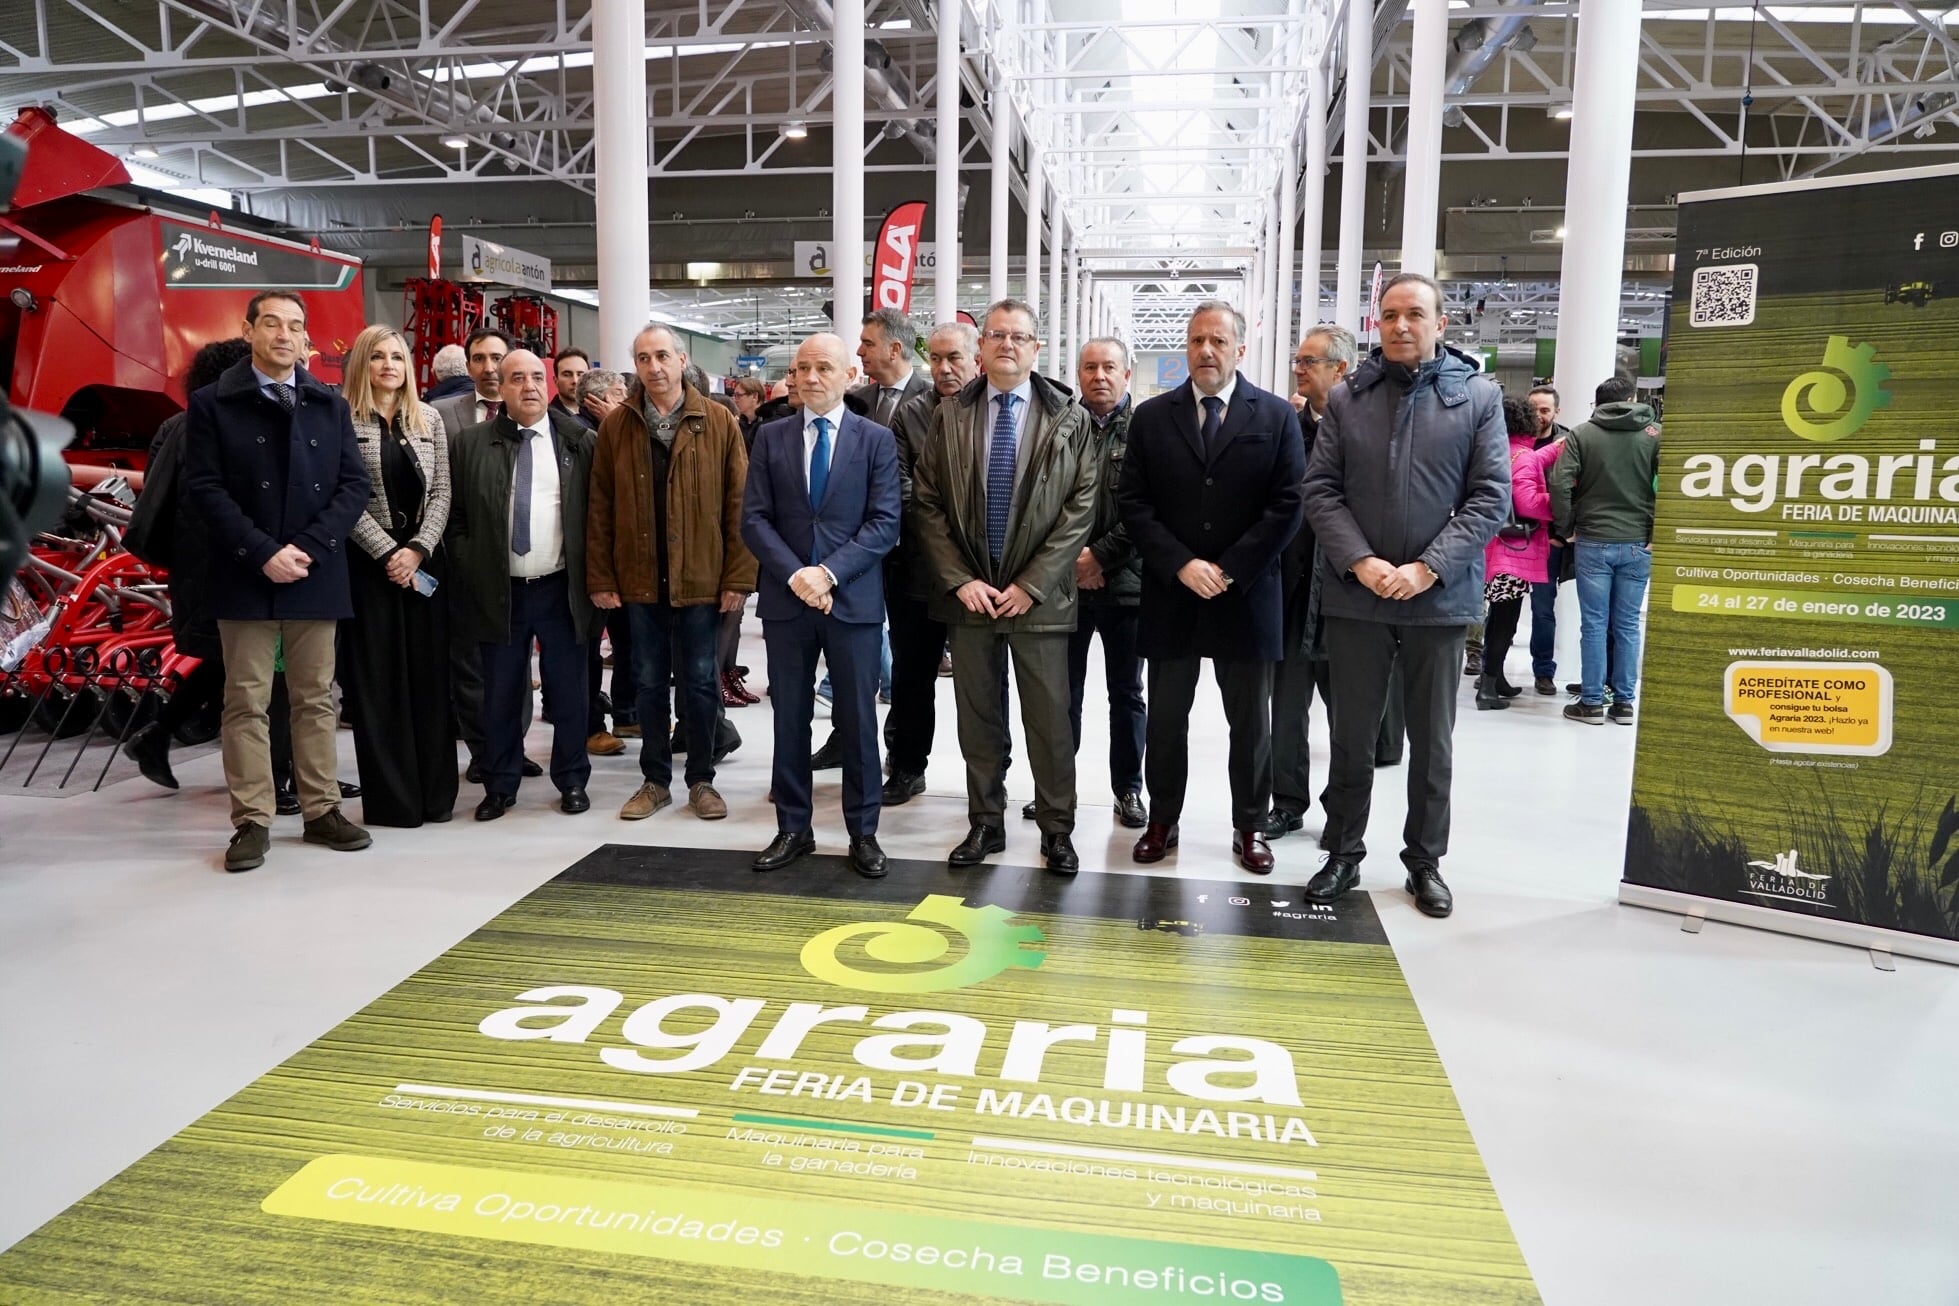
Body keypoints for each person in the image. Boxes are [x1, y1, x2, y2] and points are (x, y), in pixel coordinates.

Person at [1301, 272, 1510, 918]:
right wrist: (1360, 562)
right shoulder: (1347, 399)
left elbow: (1490, 496)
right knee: (1351, 736)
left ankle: (1424, 863)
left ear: (1439, 324)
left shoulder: (1476, 397)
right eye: (1388, 315)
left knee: (1431, 740)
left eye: (1413, 314)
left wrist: (1426, 569)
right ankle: (1341, 853)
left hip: (1437, 600)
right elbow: (1320, 491)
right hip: (1356, 596)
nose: (1398, 325)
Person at [182, 289, 373, 872]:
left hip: (314, 573)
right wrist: (262, 552)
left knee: (316, 699)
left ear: (306, 340)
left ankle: (321, 810)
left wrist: (308, 549)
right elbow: (205, 489)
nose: (284, 335)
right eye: (272, 324)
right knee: (246, 702)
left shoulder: (329, 403)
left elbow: (353, 485)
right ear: (249, 331)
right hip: (246, 574)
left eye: (295, 326)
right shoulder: (213, 404)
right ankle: (252, 821)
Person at [1118, 301, 1304, 875]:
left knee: (1250, 725)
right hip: (1172, 595)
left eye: (1218, 341)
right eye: (1197, 340)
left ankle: (1249, 826)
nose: (1205, 350)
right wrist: (1181, 564)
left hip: (1245, 597)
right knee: (1168, 719)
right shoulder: (1152, 418)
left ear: (1239, 350)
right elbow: (1134, 503)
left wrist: (1227, 569)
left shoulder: (1274, 417)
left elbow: (1288, 505)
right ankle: (1162, 821)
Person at [913, 298, 1098, 874]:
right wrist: (959, 579)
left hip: (1039, 601)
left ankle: (1057, 828)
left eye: (1019, 336)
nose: (1007, 345)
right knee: (979, 718)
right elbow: (928, 503)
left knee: (1049, 719)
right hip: (970, 596)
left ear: (1036, 347)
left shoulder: (1070, 417)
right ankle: (985, 823)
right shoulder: (949, 416)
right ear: (982, 346)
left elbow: (1081, 507)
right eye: (996, 335)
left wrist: (1033, 584)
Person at [742, 332, 901, 877]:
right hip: (789, 603)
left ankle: (863, 832)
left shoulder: (876, 440)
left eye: (824, 368)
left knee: (856, 720)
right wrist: (798, 576)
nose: (810, 377)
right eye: (801, 368)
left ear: (850, 375)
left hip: (852, 601)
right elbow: (754, 519)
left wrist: (829, 573)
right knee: (789, 718)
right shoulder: (770, 437)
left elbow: (885, 523)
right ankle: (794, 828)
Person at [588, 324, 756, 823]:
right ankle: (654, 780)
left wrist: (738, 579)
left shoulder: (719, 421)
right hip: (639, 578)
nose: (654, 366)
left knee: (701, 681)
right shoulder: (618, 425)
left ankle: (702, 780)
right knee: (647, 681)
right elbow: (599, 505)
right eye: (643, 358)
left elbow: (739, 504)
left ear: (682, 360)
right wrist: (601, 577)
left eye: (662, 355)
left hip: (702, 578)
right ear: (634, 366)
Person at [445, 349, 596, 819]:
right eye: (517, 378)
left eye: (536, 377)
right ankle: (500, 783)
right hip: (499, 590)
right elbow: (457, 518)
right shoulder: (471, 443)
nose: (529, 386)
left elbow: (597, 517)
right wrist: (473, 565)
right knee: (501, 695)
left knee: (569, 692)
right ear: (500, 388)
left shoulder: (578, 440)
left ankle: (572, 780)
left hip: (560, 589)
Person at [338, 324, 458, 826]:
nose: (389, 365)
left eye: (398, 357)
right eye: (378, 357)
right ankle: (394, 802)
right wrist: (389, 553)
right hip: (369, 570)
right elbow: (340, 497)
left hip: (425, 565)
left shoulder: (428, 417)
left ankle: (436, 797)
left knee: (430, 683)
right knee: (380, 686)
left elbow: (443, 493)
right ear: (362, 364)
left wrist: (417, 550)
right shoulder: (341, 418)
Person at [125, 338, 254, 790]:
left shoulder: (175, 424)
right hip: (223, 560)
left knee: (230, 660)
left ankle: (158, 735)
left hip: (193, 563)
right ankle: (268, 772)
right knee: (242, 661)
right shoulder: (215, 425)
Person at [880, 320, 980, 805]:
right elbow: (903, 492)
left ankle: (988, 778)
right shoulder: (911, 414)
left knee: (983, 685)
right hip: (917, 573)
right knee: (911, 677)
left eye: (953, 358)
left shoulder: (993, 410)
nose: (943, 368)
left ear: (975, 357)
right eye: (935, 359)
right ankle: (906, 767)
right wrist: (946, 548)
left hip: (982, 577)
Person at [1056, 335, 1146, 830]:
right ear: (1078, 374)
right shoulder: (1061, 427)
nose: (1099, 376)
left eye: (1110, 367)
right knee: (1062, 693)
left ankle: (1128, 789)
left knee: (1126, 694)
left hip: (1128, 586)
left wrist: (1101, 559)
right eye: (1090, 367)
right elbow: (1044, 502)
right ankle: (1057, 790)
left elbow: (1148, 508)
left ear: (1126, 373)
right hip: (1065, 586)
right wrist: (1071, 561)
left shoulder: (1147, 429)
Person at [1269, 323, 1356, 838]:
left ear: (1339, 369)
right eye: (1297, 361)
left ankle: (1342, 812)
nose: (1298, 369)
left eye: (1308, 361)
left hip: (1349, 591)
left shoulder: (1366, 428)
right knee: (1286, 709)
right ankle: (1286, 802)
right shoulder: (1287, 427)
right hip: (1292, 590)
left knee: (1349, 718)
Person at [1550, 375, 1661, 726]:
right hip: (1638, 541)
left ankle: (1593, 702)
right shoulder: (1655, 435)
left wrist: (1566, 528)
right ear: (1633, 397)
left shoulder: (1582, 434)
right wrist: (1655, 531)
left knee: (1594, 625)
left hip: (1593, 540)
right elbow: (1670, 486)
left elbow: (1560, 482)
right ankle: (1625, 703)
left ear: (1597, 403)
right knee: (1628, 624)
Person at [1475, 396, 1560, 711]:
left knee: (1499, 617)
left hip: (1492, 547)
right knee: (1505, 620)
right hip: (1512, 550)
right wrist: (1559, 504)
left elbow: (1535, 459)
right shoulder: (1525, 457)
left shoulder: (1496, 451)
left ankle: (1496, 679)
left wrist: (1558, 448)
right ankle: (1487, 687)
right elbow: (1528, 502)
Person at [1526, 383, 1571, 695]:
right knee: (1503, 606)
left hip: (1549, 542)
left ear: (1557, 411)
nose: (1539, 416)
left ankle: (1543, 671)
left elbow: (1572, 491)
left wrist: (1560, 534)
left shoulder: (1568, 444)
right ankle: (1491, 669)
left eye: (1545, 410)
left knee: (1543, 609)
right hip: (1512, 539)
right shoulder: (1514, 439)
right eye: (1534, 410)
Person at [854, 306, 933, 426]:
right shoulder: (857, 400)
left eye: (868, 344)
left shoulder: (933, 400)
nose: (859, 352)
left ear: (895, 349)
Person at [432, 327, 511, 437]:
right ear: (468, 368)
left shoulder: (527, 412)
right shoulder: (440, 412)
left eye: (497, 358)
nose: (488, 368)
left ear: (510, 364)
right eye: (479, 359)